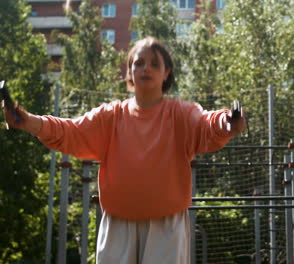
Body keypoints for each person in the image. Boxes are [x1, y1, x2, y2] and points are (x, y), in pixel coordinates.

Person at [2, 36, 246, 264]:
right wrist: (28, 121)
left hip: (166, 228)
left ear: (166, 72)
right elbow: (70, 132)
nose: (146, 68)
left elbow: (207, 124)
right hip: (118, 226)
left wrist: (227, 122)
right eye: (138, 63)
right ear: (129, 72)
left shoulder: (181, 114)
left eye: (153, 63)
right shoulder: (111, 116)